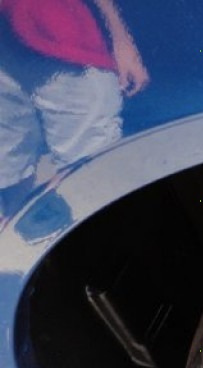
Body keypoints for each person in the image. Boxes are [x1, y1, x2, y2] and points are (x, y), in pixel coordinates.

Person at [0, 0, 149, 221]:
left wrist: (121, 38)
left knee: (91, 180)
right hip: (9, 51)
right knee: (9, 175)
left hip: (69, 47)